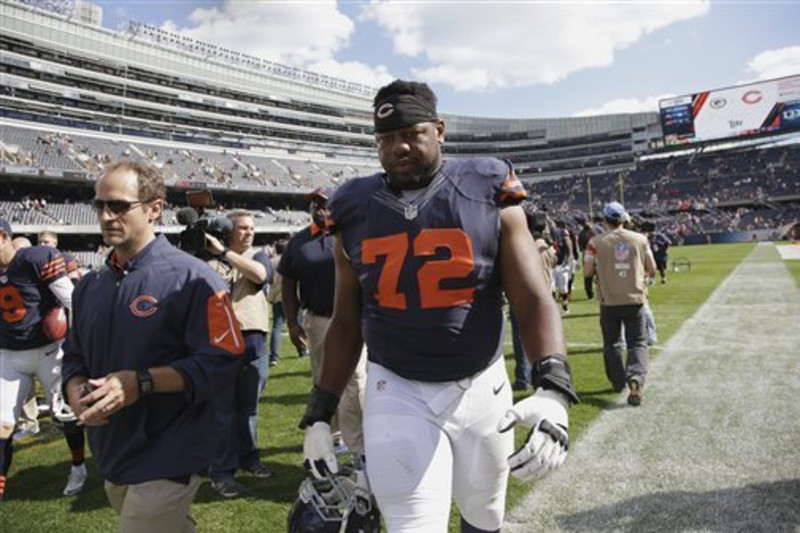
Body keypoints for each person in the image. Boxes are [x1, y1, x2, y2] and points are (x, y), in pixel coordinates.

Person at [299, 80, 579, 532]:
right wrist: (318, 414)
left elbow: (530, 296)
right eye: (387, 138)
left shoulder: (487, 186)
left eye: (412, 133)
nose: (399, 146)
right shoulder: (351, 206)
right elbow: (347, 323)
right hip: (397, 387)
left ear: (440, 130)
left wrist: (553, 385)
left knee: (484, 517)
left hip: (481, 384)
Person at [61, 160, 244, 531]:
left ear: (154, 208)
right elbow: (75, 357)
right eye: (100, 206)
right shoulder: (88, 287)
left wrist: (140, 382)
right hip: (113, 448)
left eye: (118, 206)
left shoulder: (195, 279)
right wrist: (75, 391)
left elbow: (223, 361)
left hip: (172, 448)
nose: (107, 216)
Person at [279, 188, 367, 459]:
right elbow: (288, 284)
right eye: (315, 204)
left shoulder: (354, 234)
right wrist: (292, 324)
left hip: (354, 319)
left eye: (325, 204)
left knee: (355, 379)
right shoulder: (299, 242)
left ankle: (357, 442)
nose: (320, 209)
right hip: (319, 319)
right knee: (323, 379)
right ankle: (331, 437)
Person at [0, 219, 76, 502]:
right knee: (3, 424)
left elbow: (73, 300)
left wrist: (75, 343)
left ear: (3, 236)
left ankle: (78, 466)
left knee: (66, 415)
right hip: (8, 354)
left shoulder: (35, 258)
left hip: (48, 351)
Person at [204, 209, 274, 498]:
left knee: (249, 408)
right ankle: (221, 470)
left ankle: (249, 457)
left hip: (252, 338)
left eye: (252, 227)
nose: (249, 232)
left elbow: (259, 275)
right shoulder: (207, 261)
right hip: (220, 341)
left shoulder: (258, 256)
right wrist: (213, 254)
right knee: (223, 411)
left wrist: (225, 253)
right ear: (227, 231)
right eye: (243, 228)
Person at [34, 230, 90, 496]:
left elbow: (80, 297)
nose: (44, 247)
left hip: (74, 344)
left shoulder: (65, 262)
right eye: (40, 242)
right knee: (67, 411)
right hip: (45, 348)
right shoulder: (27, 269)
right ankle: (78, 466)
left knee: (85, 406)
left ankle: (85, 464)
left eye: (48, 243)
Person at [583, 202, 656, 406]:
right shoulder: (641, 239)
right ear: (624, 219)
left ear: (605, 220)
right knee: (638, 342)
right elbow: (652, 267)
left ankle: (617, 381)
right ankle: (636, 379)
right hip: (635, 298)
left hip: (609, 300)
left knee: (612, 343)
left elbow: (587, 271)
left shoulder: (595, 242)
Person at [267, 238, 288, 367]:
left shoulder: (271, 262)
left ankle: (274, 356)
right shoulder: (290, 260)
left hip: (276, 296)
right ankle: (303, 349)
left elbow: (268, 279)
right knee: (297, 324)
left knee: (277, 326)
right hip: (291, 297)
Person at [577, 217, 596, 299]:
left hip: (594, 253)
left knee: (597, 274)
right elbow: (581, 247)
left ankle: (592, 292)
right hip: (589, 253)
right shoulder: (582, 233)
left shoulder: (595, 231)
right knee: (588, 275)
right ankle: (589, 293)